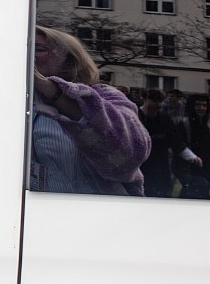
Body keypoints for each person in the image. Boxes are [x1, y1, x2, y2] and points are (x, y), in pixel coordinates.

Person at [29, 27, 147, 194]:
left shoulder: (106, 96)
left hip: (100, 208)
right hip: (39, 208)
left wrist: (49, 89)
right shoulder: (20, 103)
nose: (28, 55)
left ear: (69, 61)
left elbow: (129, 154)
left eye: (39, 49)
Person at [137, 90, 196, 197]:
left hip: (160, 167)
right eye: (154, 101)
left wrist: (191, 157)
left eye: (160, 101)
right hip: (140, 167)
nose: (158, 104)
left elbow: (175, 141)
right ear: (144, 99)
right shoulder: (136, 117)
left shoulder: (164, 118)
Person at [178, 94, 210, 199]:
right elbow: (178, 148)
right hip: (189, 174)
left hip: (207, 174)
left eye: (204, 105)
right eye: (197, 105)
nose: (201, 108)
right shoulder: (183, 126)